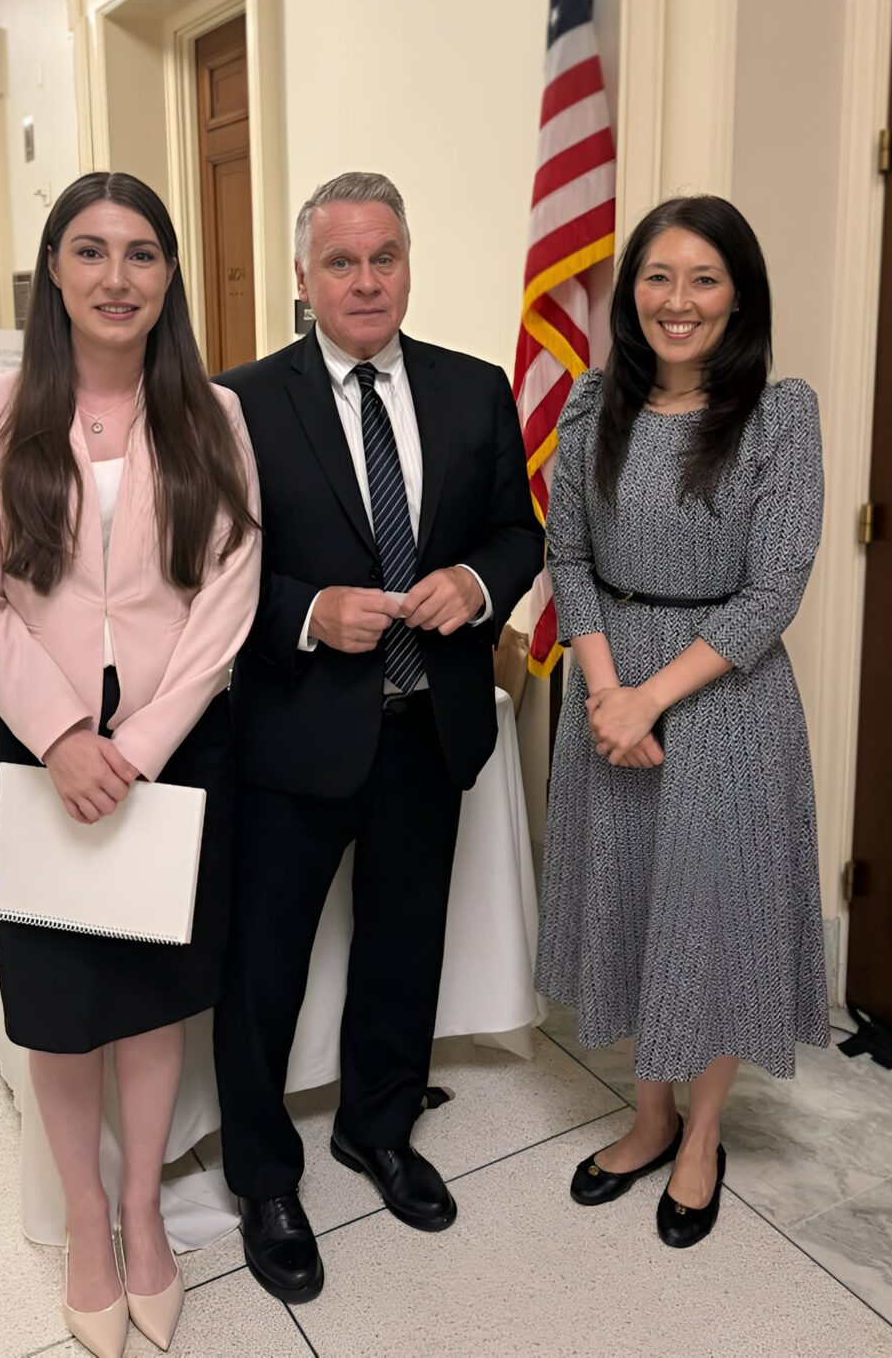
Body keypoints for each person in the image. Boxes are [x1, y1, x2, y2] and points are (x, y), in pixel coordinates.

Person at [0, 172, 260, 1358]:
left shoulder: (212, 416)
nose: (116, 277)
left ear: (168, 276)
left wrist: (138, 748)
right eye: (90, 252)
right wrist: (64, 736)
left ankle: (142, 1213)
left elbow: (229, 596)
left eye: (140, 254)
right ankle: (84, 1220)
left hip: (173, 750)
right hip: (35, 750)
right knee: (62, 1008)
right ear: (54, 274)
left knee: (153, 997)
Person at [213, 171, 543, 1303]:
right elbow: (207, 573)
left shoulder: (472, 388)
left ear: (409, 262)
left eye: (384, 256)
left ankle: (379, 1127)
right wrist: (306, 610)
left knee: (406, 945)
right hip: (295, 733)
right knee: (264, 967)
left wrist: (472, 579)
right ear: (301, 278)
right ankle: (263, 1172)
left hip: (427, 725)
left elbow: (518, 531)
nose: (366, 280)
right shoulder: (239, 403)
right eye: (341, 262)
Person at [536, 195, 831, 1250]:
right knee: (631, 904)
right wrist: (607, 688)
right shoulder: (587, 406)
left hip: (724, 701)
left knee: (708, 918)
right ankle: (645, 1115)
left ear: (737, 295)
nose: (676, 300)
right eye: (657, 277)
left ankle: (700, 1133)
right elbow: (566, 556)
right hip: (609, 682)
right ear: (632, 295)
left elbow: (773, 589)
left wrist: (649, 699)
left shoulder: (777, 415)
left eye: (703, 279)